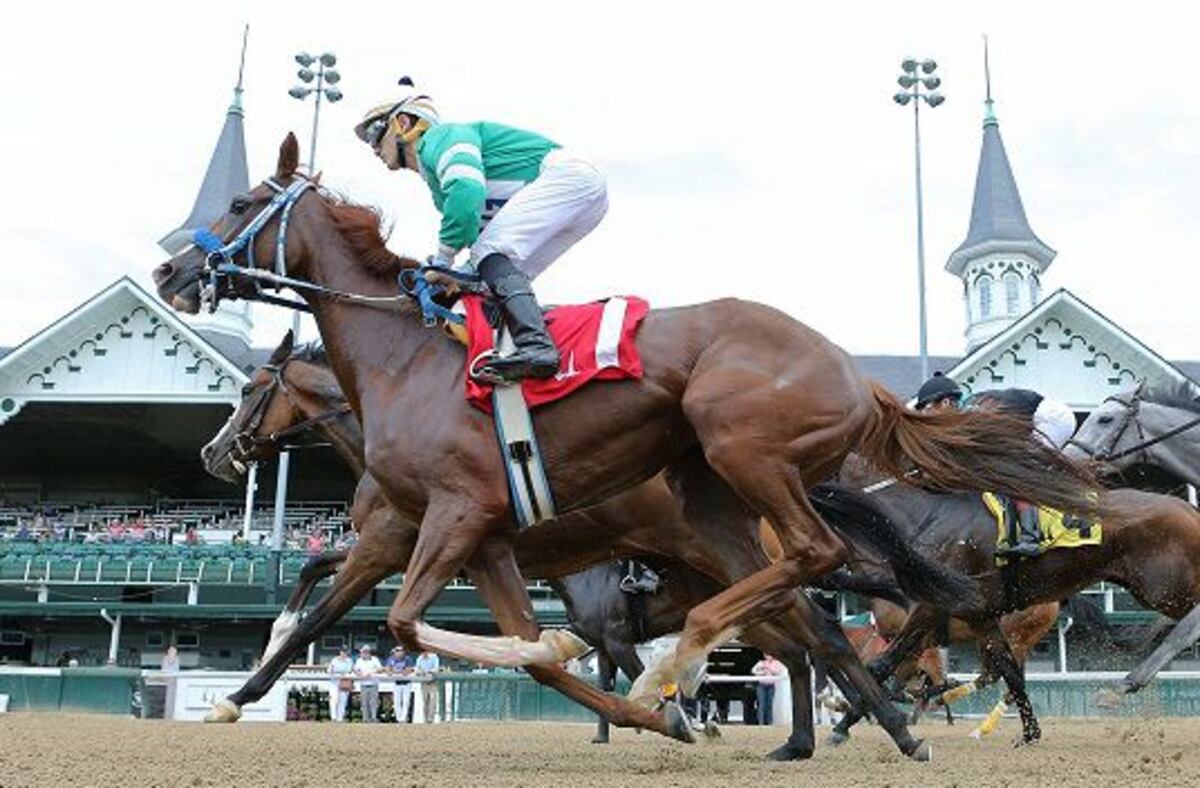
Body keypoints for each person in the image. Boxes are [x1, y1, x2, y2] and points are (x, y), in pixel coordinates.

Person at [354, 78, 608, 382]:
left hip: (569, 179)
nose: (372, 148)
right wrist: (460, 274)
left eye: (374, 133)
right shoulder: (437, 184)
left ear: (404, 123)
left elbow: (465, 192)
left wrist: (444, 262)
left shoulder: (440, 139)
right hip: (582, 197)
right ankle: (520, 352)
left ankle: (537, 348)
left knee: (488, 254)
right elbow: (479, 232)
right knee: (487, 277)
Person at [914, 374, 1078, 558]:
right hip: (1034, 420)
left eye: (926, 408)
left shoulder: (971, 413)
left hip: (1051, 418)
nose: (923, 415)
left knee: (1019, 473)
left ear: (945, 402)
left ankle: (1032, 537)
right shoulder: (965, 413)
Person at [751, 654, 786, 725]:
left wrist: (769, 669)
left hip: (771, 686)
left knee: (769, 705)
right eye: (767, 655)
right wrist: (761, 673)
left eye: (770, 655)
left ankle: (769, 722)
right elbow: (753, 671)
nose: (769, 656)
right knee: (761, 704)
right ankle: (761, 722)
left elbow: (779, 672)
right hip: (762, 685)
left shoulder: (776, 663)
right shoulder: (761, 663)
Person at [385, 646, 415, 723]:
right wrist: (397, 671)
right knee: (396, 702)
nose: (399, 652)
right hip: (396, 683)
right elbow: (388, 670)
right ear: (395, 652)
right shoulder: (391, 659)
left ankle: (404, 718)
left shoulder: (407, 659)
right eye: (397, 651)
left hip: (407, 683)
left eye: (401, 650)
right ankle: (399, 719)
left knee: (406, 701)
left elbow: (407, 671)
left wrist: (395, 671)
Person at [354, 645, 383, 723]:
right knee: (364, 702)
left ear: (369, 653)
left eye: (366, 652)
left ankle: (373, 718)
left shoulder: (375, 660)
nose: (364, 654)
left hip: (374, 684)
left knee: (373, 702)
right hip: (363, 684)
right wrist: (360, 674)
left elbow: (380, 669)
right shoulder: (359, 660)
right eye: (363, 652)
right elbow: (355, 670)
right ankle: (365, 718)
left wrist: (372, 673)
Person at [413, 649, 441, 723]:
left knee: (433, 699)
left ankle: (430, 718)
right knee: (425, 701)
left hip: (433, 681)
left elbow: (436, 668)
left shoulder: (434, 657)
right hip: (424, 682)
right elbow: (416, 669)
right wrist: (420, 672)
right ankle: (425, 718)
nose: (423, 653)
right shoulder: (419, 658)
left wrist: (429, 671)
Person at [328, 648, 354, 722]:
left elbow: (350, 670)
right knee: (334, 699)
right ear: (340, 652)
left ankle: (340, 718)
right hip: (334, 682)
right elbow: (330, 671)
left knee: (343, 700)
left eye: (345, 652)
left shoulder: (349, 661)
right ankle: (333, 717)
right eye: (343, 652)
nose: (344, 653)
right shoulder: (334, 660)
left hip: (344, 682)